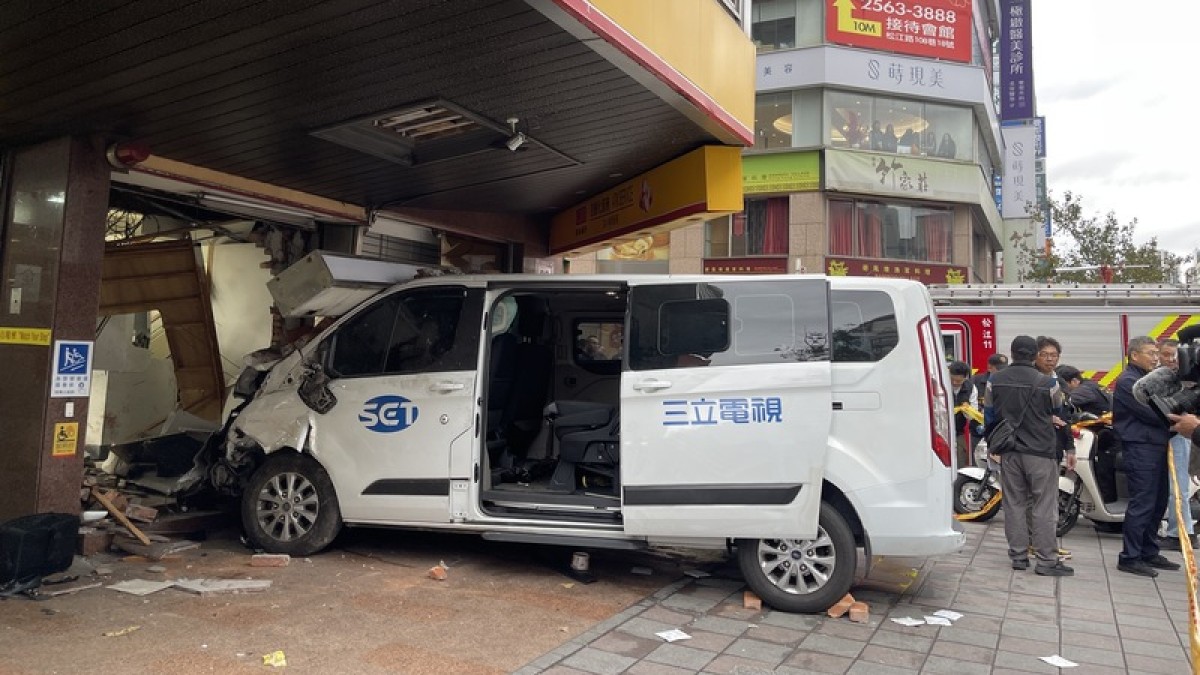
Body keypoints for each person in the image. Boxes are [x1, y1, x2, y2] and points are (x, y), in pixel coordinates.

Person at [984, 335, 1074, 576]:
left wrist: (993, 443)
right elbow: (1057, 410)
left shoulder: (995, 380)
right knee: (1044, 506)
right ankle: (1046, 561)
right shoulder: (1048, 383)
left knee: (1014, 504)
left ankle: (1018, 556)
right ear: (1035, 355)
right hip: (1041, 451)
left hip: (1009, 451)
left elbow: (989, 415)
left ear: (1012, 353)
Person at [1113, 336, 1180, 577]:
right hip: (1141, 447)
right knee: (1143, 502)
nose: (1155, 358)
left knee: (1158, 501)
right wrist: (1178, 418)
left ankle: (1148, 551)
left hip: (1156, 445)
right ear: (1134, 355)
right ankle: (1130, 557)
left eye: (1156, 353)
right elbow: (1153, 413)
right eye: (1151, 353)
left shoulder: (1149, 379)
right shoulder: (1129, 382)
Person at [1157, 339, 1197, 550]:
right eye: (1166, 354)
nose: (1171, 359)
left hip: (1179, 437)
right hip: (1169, 438)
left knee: (1177, 487)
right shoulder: (1161, 378)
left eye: (1174, 355)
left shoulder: (1185, 380)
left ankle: (1181, 533)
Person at [1035, 336, 1074, 461]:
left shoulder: (1061, 383)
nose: (1049, 359)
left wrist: (1070, 449)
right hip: (1033, 447)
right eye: (1044, 354)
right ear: (1035, 356)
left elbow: (1065, 417)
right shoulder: (1028, 381)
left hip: (1055, 447)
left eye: (1054, 355)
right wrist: (1047, 419)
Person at [948, 360, 979, 466]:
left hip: (958, 431)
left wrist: (967, 409)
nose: (954, 383)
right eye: (952, 379)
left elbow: (972, 416)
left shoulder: (971, 388)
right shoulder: (941, 384)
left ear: (965, 378)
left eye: (958, 381)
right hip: (941, 431)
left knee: (961, 460)